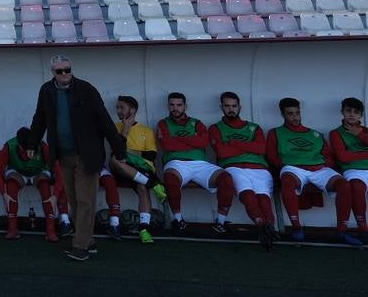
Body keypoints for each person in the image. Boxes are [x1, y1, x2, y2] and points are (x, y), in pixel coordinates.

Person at [26, 54, 125, 261]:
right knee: (74, 200)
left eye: (68, 69)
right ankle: (88, 241)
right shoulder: (46, 90)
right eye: (60, 71)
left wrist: (119, 148)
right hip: (63, 154)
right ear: (52, 72)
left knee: (85, 201)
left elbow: (104, 119)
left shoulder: (86, 89)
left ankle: (80, 247)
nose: (65, 74)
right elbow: (40, 118)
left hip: (87, 155)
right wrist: (32, 143)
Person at [266, 96, 356, 245]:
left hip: (319, 169)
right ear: (282, 115)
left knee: (344, 185)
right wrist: (286, 162)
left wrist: (322, 165)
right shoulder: (275, 133)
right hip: (293, 169)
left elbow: (328, 155)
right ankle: (297, 228)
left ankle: (342, 231)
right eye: (290, 114)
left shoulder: (315, 134)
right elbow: (271, 155)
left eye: (297, 113)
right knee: (287, 181)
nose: (295, 117)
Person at [207, 91, 277, 249]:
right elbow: (222, 153)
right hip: (234, 167)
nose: (231, 109)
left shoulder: (254, 127)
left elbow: (261, 149)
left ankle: (270, 227)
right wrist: (248, 148)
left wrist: (232, 143)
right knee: (248, 196)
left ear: (240, 107)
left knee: (264, 198)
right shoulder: (215, 128)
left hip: (260, 168)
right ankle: (262, 227)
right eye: (227, 106)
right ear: (221, 107)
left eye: (234, 106)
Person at [99, 95, 164, 244]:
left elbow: (151, 155)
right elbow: (117, 150)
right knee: (115, 159)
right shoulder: (115, 127)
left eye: (122, 107)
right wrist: (126, 129)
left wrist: (130, 153)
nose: (118, 110)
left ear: (132, 110)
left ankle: (144, 229)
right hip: (120, 168)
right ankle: (154, 183)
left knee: (142, 186)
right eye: (117, 107)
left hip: (141, 168)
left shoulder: (146, 130)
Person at [156, 92, 223, 235]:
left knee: (226, 178)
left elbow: (203, 142)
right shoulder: (163, 123)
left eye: (179, 105)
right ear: (168, 106)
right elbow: (167, 145)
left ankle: (221, 222)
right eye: (172, 105)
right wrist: (192, 140)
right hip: (175, 163)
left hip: (200, 164)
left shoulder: (196, 123)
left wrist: (178, 139)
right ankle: (178, 220)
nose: (175, 108)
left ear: (185, 106)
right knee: (170, 179)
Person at [0, 129, 58, 242]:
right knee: (11, 187)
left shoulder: (42, 146)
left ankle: (50, 230)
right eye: (25, 149)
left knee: (45, 187)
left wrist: (55, 195)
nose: (28, 153)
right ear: (18, 144)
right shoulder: (9, 147)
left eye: (31, 149)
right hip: (18, 171)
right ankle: (12, 229)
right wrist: (4, 194)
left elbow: (59, 172)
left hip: (39, 171)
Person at [328, 97, 368, 242]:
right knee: (356, 187)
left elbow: (350, 154)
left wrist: (359, 135)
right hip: (354, 170)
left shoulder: (365, 131)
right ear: (342, 112)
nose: (352, 114)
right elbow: (343, 157)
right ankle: (363, 227)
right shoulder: (335, 133)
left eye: (356, 112)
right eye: (348, 110)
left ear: (361, 115)